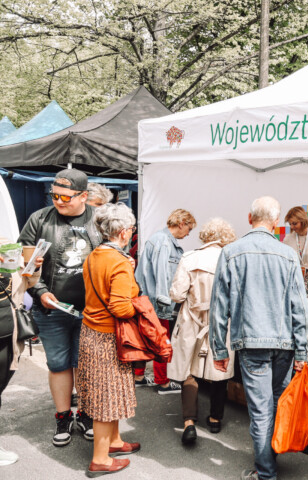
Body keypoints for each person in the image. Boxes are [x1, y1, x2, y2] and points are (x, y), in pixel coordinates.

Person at [210, 196, 308, 480]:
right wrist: (303, 352)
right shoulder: (288, 254)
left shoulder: (231, 252)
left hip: (252, 342)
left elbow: (219, 307)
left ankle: (266, 472)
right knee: (276, 405)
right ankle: (269, 462)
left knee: (262, 410)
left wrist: (219, 348)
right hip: (285, 344)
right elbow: (300, 309)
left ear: (249, 217)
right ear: (276, 222)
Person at [18, 168, 102, 447]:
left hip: (91, 310)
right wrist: (40, 292)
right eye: (54, 195)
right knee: (58, 365)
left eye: (66, 196)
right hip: (51, 308)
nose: (59, 201)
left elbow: (114, 255)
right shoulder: (39, 219)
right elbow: (25, 266)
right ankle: (63, 417)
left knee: (84, 365)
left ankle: (87, 414)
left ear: (84, 196)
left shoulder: (99, 220)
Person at [78, 203, 140, 476]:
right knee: (106, 398)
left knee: (108, 394)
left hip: (91, 332)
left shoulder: (95, 255)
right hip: (108, 337)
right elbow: (121, 307)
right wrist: (139, 305)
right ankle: (101, 459)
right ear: (125, 232)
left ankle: (114, 442)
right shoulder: (119, 261)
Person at [167, 218, 238, 445]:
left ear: (205, 236)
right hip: (221, 321)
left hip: (191, 321)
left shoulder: (190, 258)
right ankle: (215, 418)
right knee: (219, 368)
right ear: (226, 237)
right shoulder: (233, 260)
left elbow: (177, 295)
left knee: (189, 369)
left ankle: (189, 422)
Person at [135, 209, 196, 394]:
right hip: (158, 302)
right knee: (162, 340)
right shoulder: (164, 242)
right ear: (181, 223)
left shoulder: (159, 239)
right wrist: (164, 300)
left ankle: (138, 376)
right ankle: (163, 382)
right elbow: (162, 274)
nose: (188, 233)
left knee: (147, 338)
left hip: (150, 299)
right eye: (189, 229)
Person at [0, 239, 42, 466]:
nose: (8, 257)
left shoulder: (12, 271)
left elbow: (28, 283)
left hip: (9, 338)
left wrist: (33, 266)